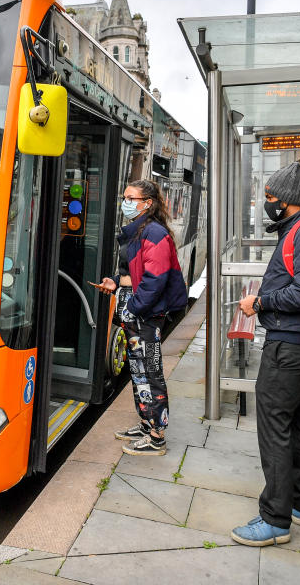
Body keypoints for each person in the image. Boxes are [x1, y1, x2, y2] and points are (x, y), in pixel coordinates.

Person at [231, 162, 300, 547]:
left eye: (270, 197)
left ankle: (275, 519)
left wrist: (260, 302)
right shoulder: (299, 229)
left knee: (274, 424)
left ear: (287, 200)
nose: (266, 203)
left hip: (290, 344)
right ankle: (299, 506)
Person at [97, 180, 187, 456]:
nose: (126, 202)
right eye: (125, 197)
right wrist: (116, 282)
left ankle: (157, 437)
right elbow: (133, 273)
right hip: (136, 308)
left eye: (131, 197)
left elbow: (154, 280)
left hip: (146, 314)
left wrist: (133, 308)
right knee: (137, 371)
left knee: (151, 371)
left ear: (148, 203)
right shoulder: (139, 231)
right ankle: (147, 423)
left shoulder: (154, 234)